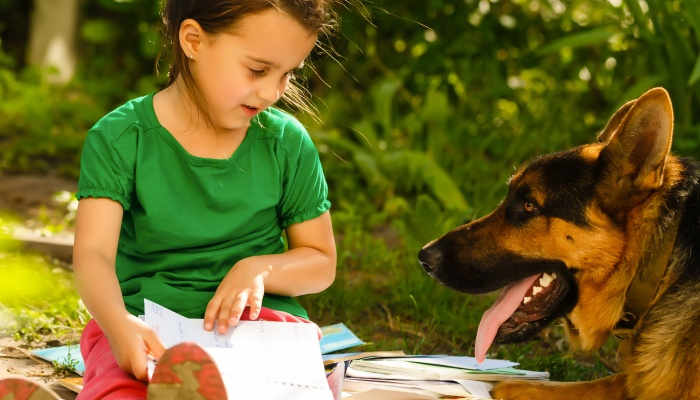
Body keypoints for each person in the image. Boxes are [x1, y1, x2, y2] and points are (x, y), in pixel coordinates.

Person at [0, 1, 339, 399]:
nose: (272, 91)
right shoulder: (122, 137)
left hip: (260, 328)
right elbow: (93, 255)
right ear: (194, 40)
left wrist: (258, 269)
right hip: (144, 322)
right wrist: (118, 323)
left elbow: (321, 261)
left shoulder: (286, 142)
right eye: (257, 70)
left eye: (287, 74)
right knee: (123, 385)